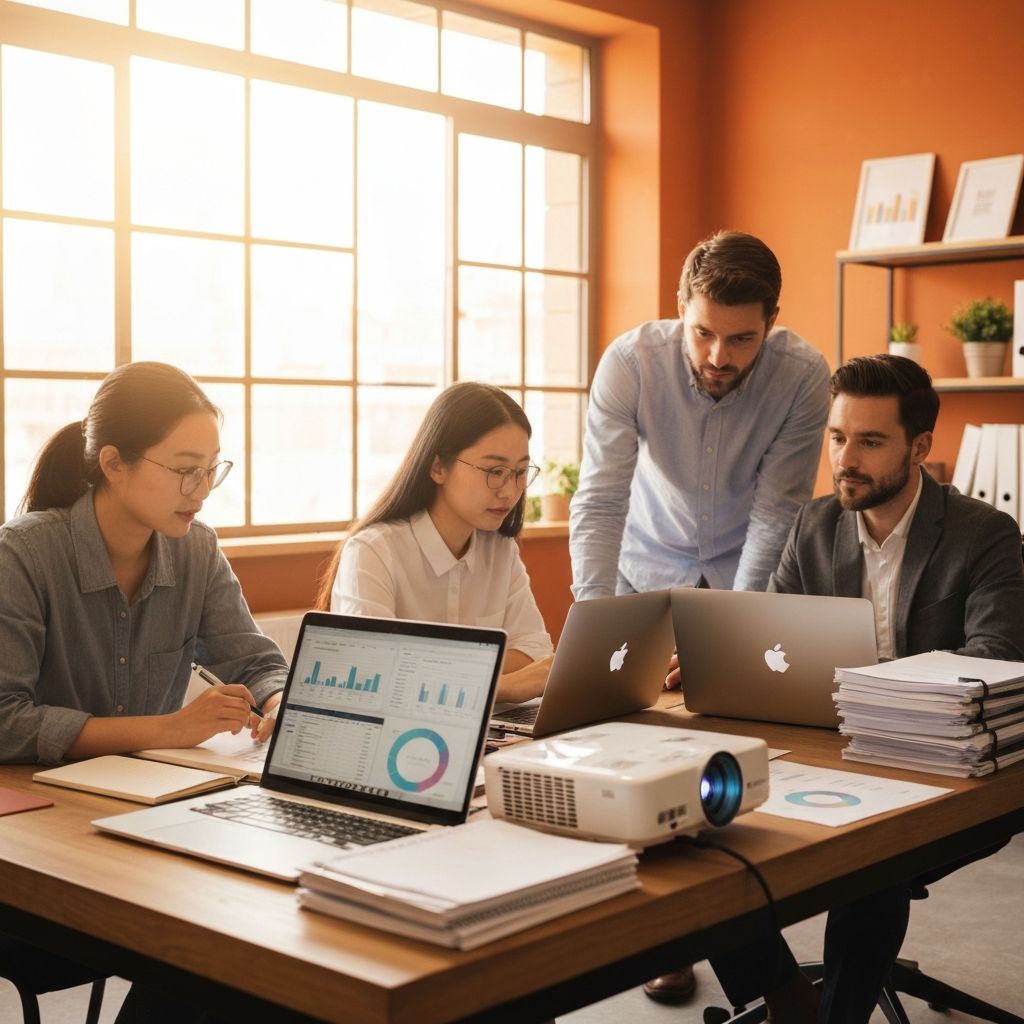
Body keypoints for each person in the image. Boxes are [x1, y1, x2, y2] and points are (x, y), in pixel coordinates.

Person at [705, 354, 1024, 1023]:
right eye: (837, 437)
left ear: (920, 448)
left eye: (870, 442)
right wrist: (722, 662)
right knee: (703, 826)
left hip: (950, 774)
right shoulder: (811, 526)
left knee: (871, 851)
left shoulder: (985, 535)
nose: (846, 459)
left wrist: (873, 694)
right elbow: (774, 645)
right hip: (829, 753)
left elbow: (996, 659)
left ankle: (839, 1017)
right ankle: (785, 995)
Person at [570, 230, 830, 1002]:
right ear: (681, 309)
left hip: (743, 572)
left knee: (724, 762)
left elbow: (779, 510)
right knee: (642, 751)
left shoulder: (802, 376)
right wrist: (595, 625)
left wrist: (726, 628)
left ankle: (727, 930)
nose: (719, 354)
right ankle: (670, 940)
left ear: (771, 323)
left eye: (742, 338)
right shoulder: (631, 362)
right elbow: (601, 497)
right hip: (642, 570)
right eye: (705, 331)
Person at [0, 361, 289, 1022]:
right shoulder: (22, 556)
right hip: (40, 841)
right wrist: (164, 731)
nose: (202, 489)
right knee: (217, 967)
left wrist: (276, 701)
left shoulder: (197, 551)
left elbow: (255, 659)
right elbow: (4, 720)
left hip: (148, 822)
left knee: (244, 950)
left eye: (213, 468)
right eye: (186, 468)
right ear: (114, 463)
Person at [316, 382, 553, 704]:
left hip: (491, 726)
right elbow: (375, 673)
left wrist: (434, 676)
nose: (510, 491)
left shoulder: (500, 550)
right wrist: (502, 687)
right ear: (438, 466)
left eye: (521, 472)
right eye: (495, 471)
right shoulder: (373, 551)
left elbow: (535, 650)